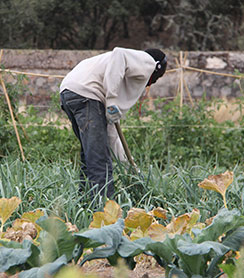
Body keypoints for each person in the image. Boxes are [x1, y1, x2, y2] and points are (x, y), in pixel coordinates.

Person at [60, 47, 167, 199]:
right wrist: (111, 99)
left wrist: (128, 168)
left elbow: (111, 136)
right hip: (88, 94)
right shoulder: (147, 62)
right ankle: (104, 212)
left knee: (90, 155)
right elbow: (120, 53)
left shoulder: (115, 72)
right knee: (99, 160)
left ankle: (84, 206)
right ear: (158, 69)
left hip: (69, 92)